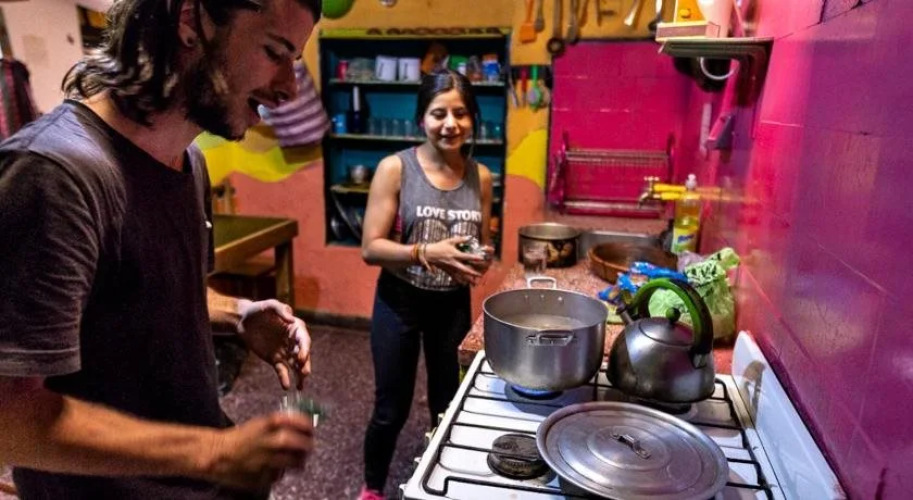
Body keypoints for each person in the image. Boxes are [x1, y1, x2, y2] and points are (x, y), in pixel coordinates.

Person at [0, 0, 322, 497]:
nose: (288, 89)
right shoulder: (53, 173)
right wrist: (215, 452)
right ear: (190, 20)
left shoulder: (188, 160)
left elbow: (152, 294)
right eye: (275, 52)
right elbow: (10, 417)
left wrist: (238, 313)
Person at [358, 69, 495, 500]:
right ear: (422, 119)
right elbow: (371, 248)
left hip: (452, 304)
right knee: (391, 408)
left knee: (448, 403)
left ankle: (439, 483)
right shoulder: (395, 169)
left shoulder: (481, 177)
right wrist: (426, 253)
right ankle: (372, 488)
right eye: (439, 114)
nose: (450, 124)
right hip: (399, 300)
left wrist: (480, 259)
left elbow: (483, 243)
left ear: (472, 118)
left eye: (460, 113)